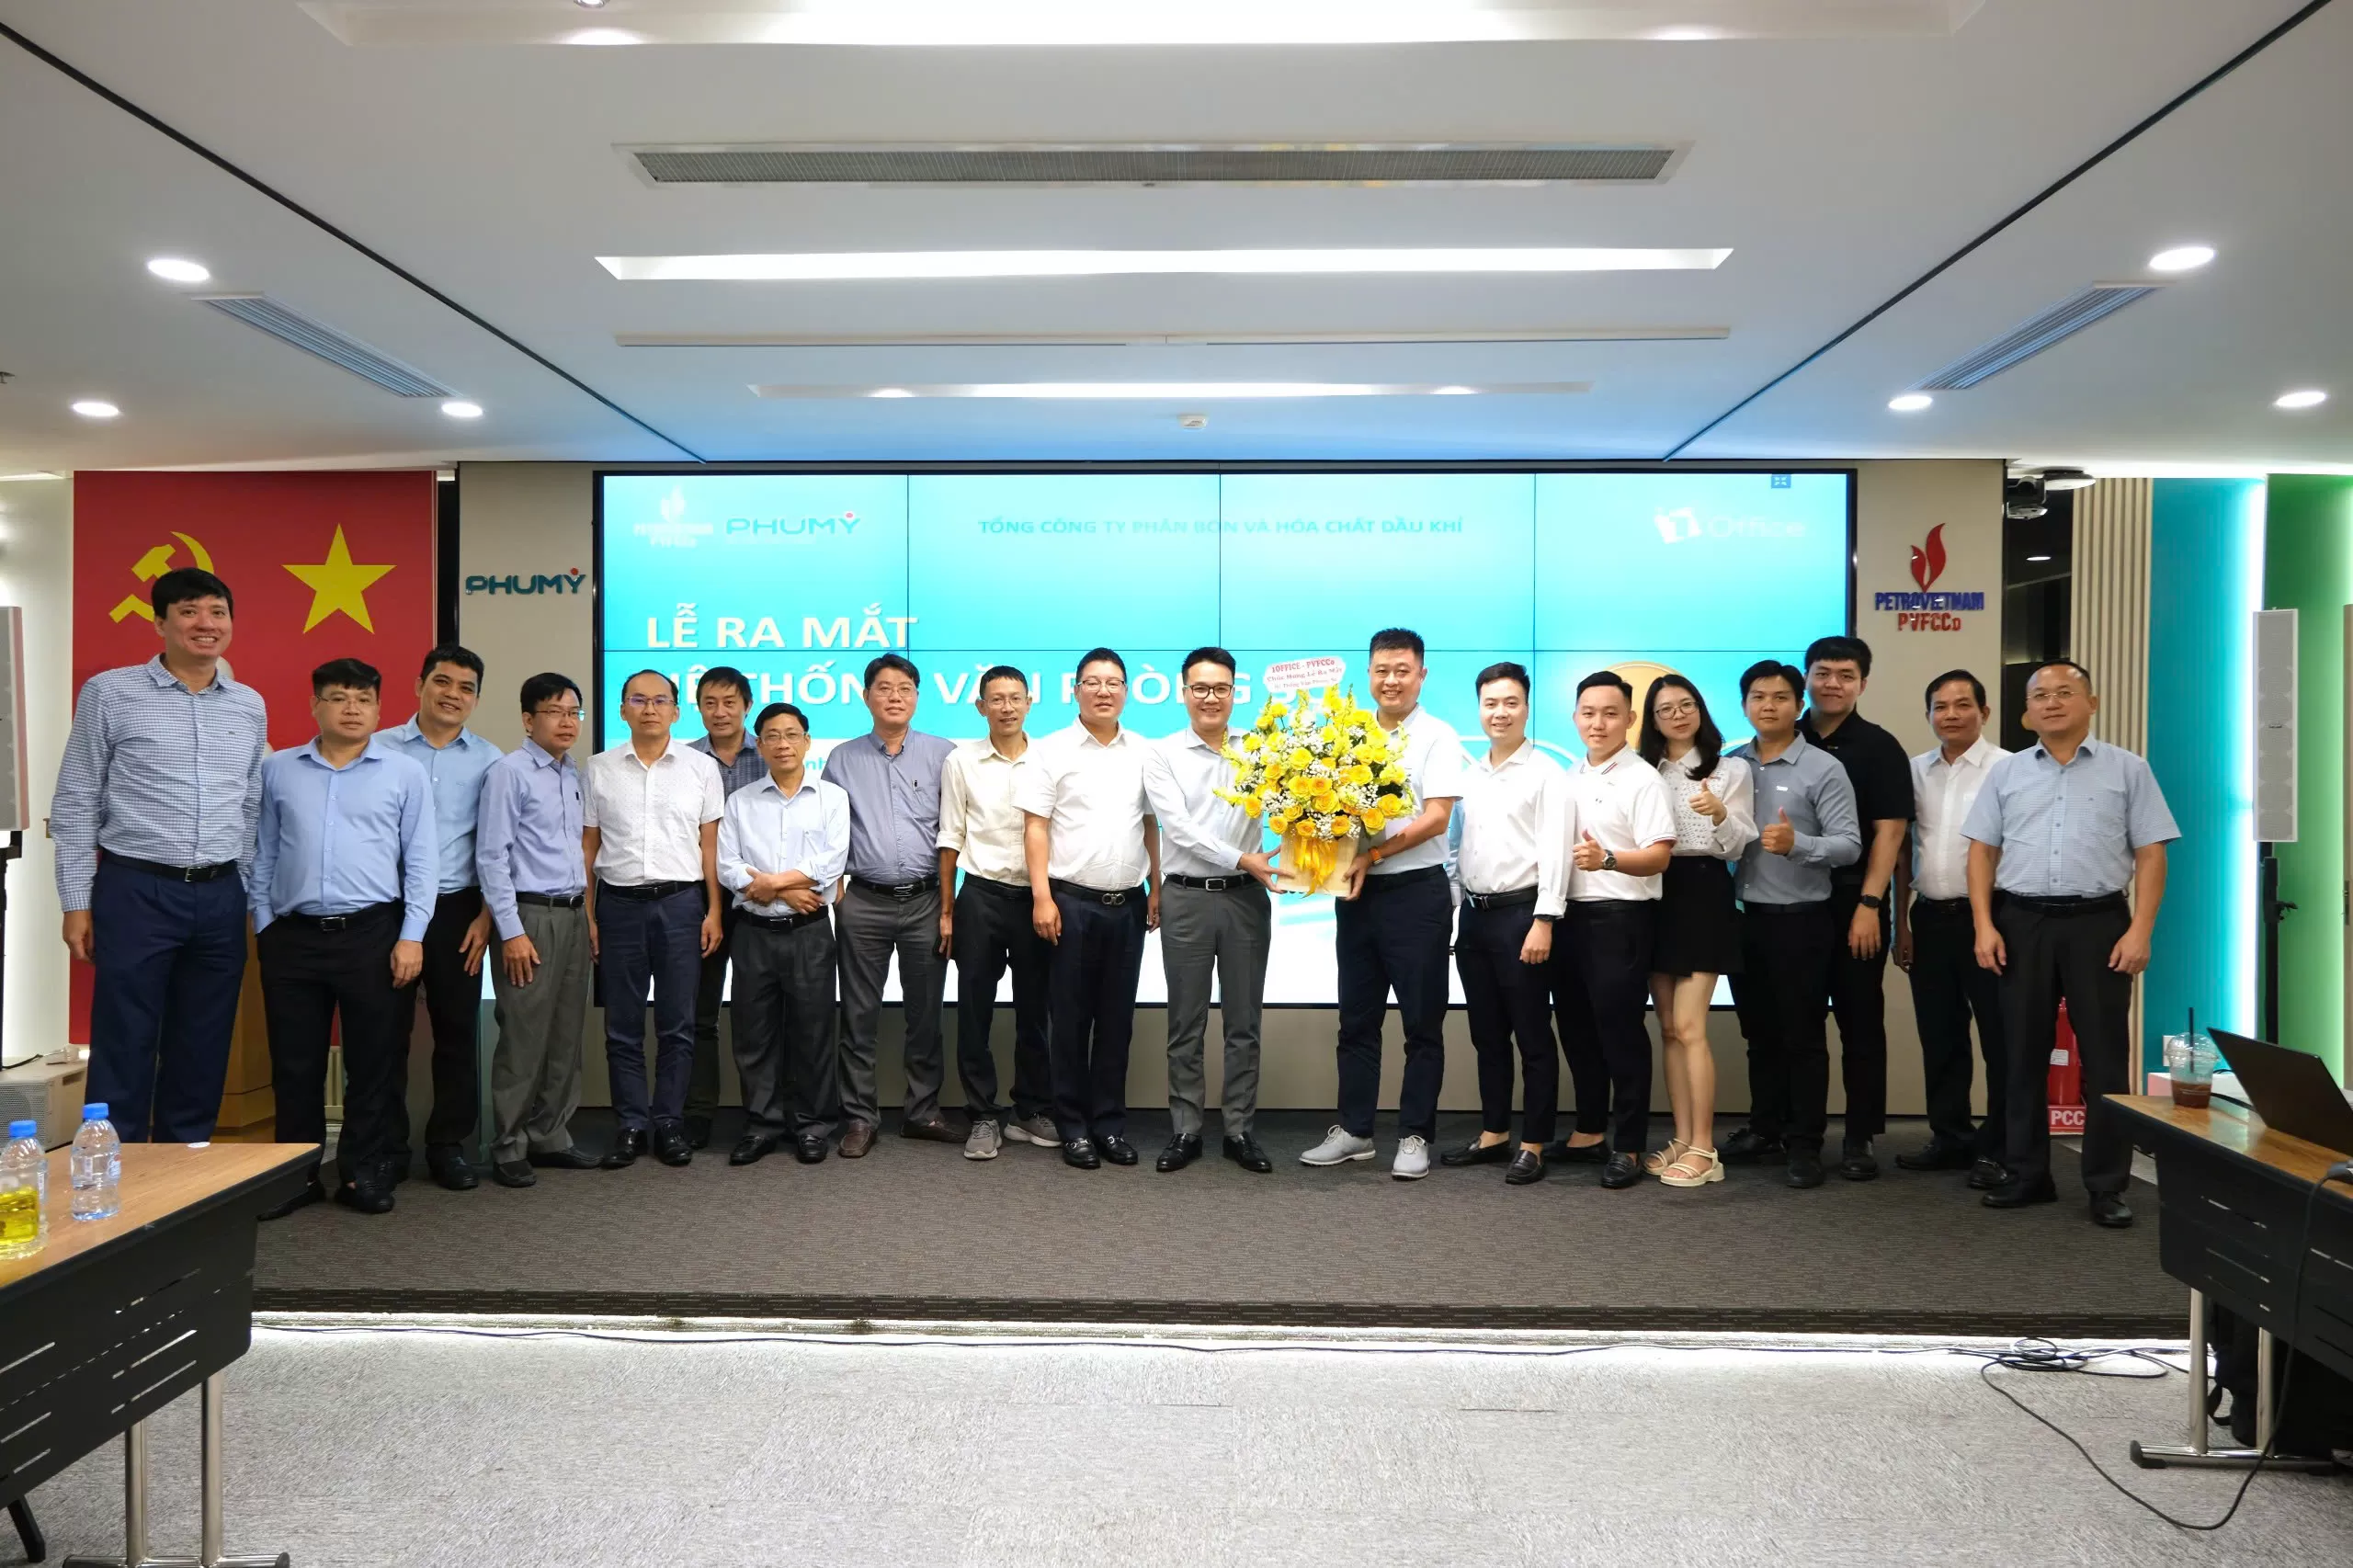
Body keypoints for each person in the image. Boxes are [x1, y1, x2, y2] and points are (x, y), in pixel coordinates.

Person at [52, 567, 267, 1144]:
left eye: (217, 612)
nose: (206, 623)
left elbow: (249, 804)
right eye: (189, 611)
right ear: (160, 624)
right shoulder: (110, 692)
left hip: (220, 894)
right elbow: (76, 800)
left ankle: (185, 1166)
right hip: (136, 888)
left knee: (204, 1040)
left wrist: (245, 890)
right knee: (124, 1036)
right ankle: (112, 1166)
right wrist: (75, 901)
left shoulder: (248, 705)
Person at [1966, 660, 2177, 1229]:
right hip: (2021, 923)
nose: (2052, 702)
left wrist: (2140, 930)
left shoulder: (2128, 769)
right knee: (2020, 1055)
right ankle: (2027, 1174)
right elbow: (1982, 850)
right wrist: (1984, 925)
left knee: (2105, 1060)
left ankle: (2107, 1185)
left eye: (2065, 692)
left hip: (2099, 923)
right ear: (2026, 712)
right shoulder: (2007, 773)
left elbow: (2152, 853)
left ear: (2092, 703)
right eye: (2040, 695)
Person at [250, 659, 434, 1217]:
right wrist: (264, 924)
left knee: (373, 1063)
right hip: (292, 937)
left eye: (363, 699)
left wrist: (412, 936)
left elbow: (421, 861)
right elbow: (263, 852)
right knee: (294, 1064)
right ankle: (295, 1176)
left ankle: (362, 1172)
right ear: (315, 706)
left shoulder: (404, 773)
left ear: (379, 709)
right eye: (338, 697)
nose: (351, 708)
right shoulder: (279, 770)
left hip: (373, 935)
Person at [1301, 629, 1469, 1181]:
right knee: (1356, 1019)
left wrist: (1374, 855)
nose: (1391, 680)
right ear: (1368, 674)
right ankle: (1354, 1130)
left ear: (1422, 675)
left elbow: (1437, 818)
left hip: (1417, 894)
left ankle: (1415, 1134)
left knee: (1422, 1023)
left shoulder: (1438, 736)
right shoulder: (1348, 733)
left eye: (1402, 670)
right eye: (1381, 670)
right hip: (1357, 894)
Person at [1017, 648, 1159, 1170]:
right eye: (1093, 682)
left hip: (1129, 905)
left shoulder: (1144, 751)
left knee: (1117, 1023)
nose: (1104, 691)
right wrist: (1041, 897)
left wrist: (1158, 886)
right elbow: (1035, 827)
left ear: (1126, 691)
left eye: (1114, 682)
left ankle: (1109, 1125)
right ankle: (1073, 1127)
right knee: (1071, 1021)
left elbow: (1150, 825)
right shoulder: (1050, 750)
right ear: (1075, 690)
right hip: (1070, 904)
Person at [1723, 660, 1862, 1188]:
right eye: (1758, 697)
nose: (1768, 706)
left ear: (1799, 705)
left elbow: (1849, 845)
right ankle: (1765, 1128)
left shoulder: (1824, 768)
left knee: (1802, 1037)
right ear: (1744, 706)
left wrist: (1797, 844)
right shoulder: (1732, 766)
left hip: (1801, 922)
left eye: (1780, 697)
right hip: (1746, 921)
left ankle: (1805, 1143)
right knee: (1758, 1034)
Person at [1142, 646, 1279, 1175]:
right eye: (1200, 688)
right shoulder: (1162, 754)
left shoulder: (1263, 749)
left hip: (1246, 898)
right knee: (1186, 1022)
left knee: (1244, 1021)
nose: (1210, 698)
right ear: (1183, 693)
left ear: (1234, 692)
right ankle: (1186, 1129)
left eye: (1221, 688)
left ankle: (1240, 1130)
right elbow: (1177, 829)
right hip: (1186, 899)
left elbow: (1292, 810)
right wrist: (1241, 856)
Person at [585, 670, 724, 1170]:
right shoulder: (599, 768)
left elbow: (710, 847)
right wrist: (589, 915)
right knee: (621, 1025)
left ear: (676, 711)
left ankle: (668, 1122)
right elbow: (588, 847)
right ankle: (630, 1125)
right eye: (638, 700)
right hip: (618, 906)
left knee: (678, 1024)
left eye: (660, 700)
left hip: (681, 905)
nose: (649, 709)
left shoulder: (701, 768)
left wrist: (714, 910)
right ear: (622, 709)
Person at [1438, 662, 1570, 1186]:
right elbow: (1456, 850)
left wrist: (1545, 919)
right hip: (1475, 919)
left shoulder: (1546, 774)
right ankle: (1494, 1133)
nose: (1500, 712)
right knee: (1487, 1034)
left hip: (1523, 916)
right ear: (1479, 708)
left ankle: (1534, 1142)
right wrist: (1453, 910)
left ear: (1527, 708)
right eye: (1490, 703)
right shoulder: (1468, 776)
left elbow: (1557, 853)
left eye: (1511, 702)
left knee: (1533, 1036)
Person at [824, 653, 960, 1157]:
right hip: (863, 901)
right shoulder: (842, 758)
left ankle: (922, 1112)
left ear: (917, 696)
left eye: (904, 688)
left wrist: (948, 906)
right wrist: (836, 891)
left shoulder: (945, 754)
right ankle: (860, 1118)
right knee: (858, 1015)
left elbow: (955, 831)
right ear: (866, 697)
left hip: (926, 901)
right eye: (883, 688)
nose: (894, 696)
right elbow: (828, 829)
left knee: (925, 1015)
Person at [379, 644, 503, 1191]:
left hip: (458, 911)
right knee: (385, 1034)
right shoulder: (378, 749)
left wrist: (487, 916)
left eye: (466, 688)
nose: (453, 695)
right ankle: (386, 1146)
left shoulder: (491, 760)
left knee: (457, 1032)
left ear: (476, 699)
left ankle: (448, 1145)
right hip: (387, 909)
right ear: (419, 685)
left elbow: (499, 846)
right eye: (443, 682)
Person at [1798, 634, 1915, 1181]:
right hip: (1793, 905)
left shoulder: (1879, 746)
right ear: (1807, 678)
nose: (1833, 684)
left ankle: (1860, 1136)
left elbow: (1891, 833)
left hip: (1854, 902)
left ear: (1863, 683)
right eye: (1823, 673)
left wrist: (1870, 903)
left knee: (1860, 1023)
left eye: (1846, 675)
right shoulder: (1784, 736)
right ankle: (1796, 1134)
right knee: (1795, 1026)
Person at [1557, 672, 1677, 1190]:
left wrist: (1606, 858)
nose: (1598, 723)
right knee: (1577, 1029)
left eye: (1610, 713)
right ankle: (1589, 1131)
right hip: (1568, 917)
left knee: (1620, 1033)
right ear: (1575, 717)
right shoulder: (1568, 775)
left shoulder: (1643, 779)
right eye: (1588, 712)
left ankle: (1628, 1143)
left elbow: (1659, 857)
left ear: (1629, 719)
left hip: (1621, 919)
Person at [717, 702, 849, 1166]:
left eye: (792, 734)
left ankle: (812, 1126)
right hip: (753, 933)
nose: (782, 744)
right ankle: (762, 1125)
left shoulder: (832, 798)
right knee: (753, 1033)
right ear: (759, 744)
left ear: (807, 742)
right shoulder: (741, 801)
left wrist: (771, 883)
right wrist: (784, 890)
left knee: (813, 1032)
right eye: (772, 736)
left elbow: (831, 862)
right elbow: (728, 865)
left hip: (809, 932)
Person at [1892, 670, 2011, 1187]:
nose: (1951, 715)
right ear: (1928, 716)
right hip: (1930, 918)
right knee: (1940, 1035)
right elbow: (1901, 849)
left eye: (1963, 705)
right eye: (1940, 707)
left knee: (2001, 1039)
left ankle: (2002, 1146)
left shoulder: (2010, 768)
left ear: (1984, 712)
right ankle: (1951, 1137)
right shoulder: (1915, 771)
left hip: (1995, 919)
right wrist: (1900, 923)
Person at [477, 673, 596, 1187]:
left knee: (566, 1035)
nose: (566, 721)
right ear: (528, 720)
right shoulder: (510, 772)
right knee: (524, 1036)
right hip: (529, 918)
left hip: (572, 914)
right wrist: (511, 932)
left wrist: (587, 916)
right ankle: (508, 1144)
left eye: (573, 712)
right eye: (554, 711)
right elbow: (491, 857)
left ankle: (550, 1134)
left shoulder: (573, 774)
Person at [1640, 673, 1756, 1189]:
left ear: (1701, 709)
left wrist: (1721, 812)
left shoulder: (1730, 769)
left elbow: (1738, 846)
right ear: (1652, 719)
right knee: (1667, 1028)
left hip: (1704, 891)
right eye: (1665, 709)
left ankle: (1707, 1148)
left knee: (1690, 1027)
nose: (1677, 715)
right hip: (1654, 892)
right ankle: (1683, 1138)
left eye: (1686, 705)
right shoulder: (1644, 770)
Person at [938, 666, 1060, 1159]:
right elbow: (950, 835)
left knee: (1036, 1011)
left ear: (1030, 702)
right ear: (980, 707)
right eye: (996, 699)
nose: (1006, 707)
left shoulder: (1050, 758)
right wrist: (947, 910)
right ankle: (983, 1115)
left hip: (1037, 898)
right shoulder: (961, 760)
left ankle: (1030, 1109)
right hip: (981, 897)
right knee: (974, 1011)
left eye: (1015, 698)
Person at [684, 665, 767, 1151]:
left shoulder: (772, 751)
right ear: (698, 708)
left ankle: (765, 1113)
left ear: (746, 706)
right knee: (700, 1013)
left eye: (730, 702)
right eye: (710, 703)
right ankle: (698, 1113)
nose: (720, 712)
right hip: (702, 901)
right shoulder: (684, 760)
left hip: (763, 899)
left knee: (761, 1015)